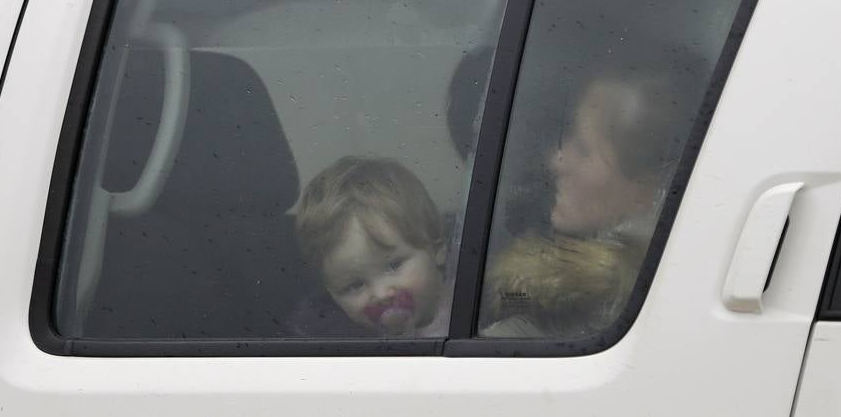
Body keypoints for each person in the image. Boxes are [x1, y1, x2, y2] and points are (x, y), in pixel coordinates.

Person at [481, 65, 700, 338]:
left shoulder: (565, 312)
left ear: (647, 186)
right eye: (568, 137)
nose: (557, 161)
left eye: (583, 150)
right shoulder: (684, 280)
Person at [293, 155, 452, 337]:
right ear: (332, 294)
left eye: (394, 266)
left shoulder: (472, 307)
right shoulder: (338, 342)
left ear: (437, 248)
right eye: (355, 285)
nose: (381, 294)